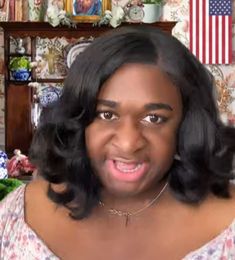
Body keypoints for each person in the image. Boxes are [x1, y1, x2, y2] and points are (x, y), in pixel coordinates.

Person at [1, 26, 235, 259]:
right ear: (78, 121)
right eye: (107, 115)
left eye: (154, 118)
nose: (128, 143)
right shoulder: (17, 216)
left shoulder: (229, 224)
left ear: (185, 126)